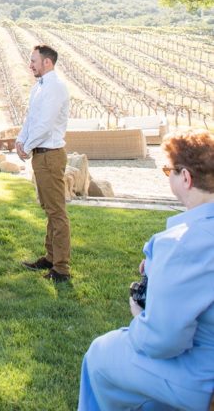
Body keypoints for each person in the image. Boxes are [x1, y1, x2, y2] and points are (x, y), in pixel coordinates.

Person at [78, 130, 214, 411]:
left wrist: (139, 316)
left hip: (201, 375)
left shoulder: (183, 244)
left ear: (185, 178)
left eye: (169, 171)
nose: (169, 177)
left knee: (100, 354)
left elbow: (163, 342)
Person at [16, 43, 71, 282]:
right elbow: (32, 118)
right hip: (41, 155)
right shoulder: (39, 88)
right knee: (48, 208)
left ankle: (61, 268)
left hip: (50, 154)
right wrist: (21, 140)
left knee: (57, 212)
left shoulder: (56, 87)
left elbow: (46, 124)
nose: (30, 65)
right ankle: (50, 257)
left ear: (47, 62)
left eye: (33, 61)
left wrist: (27, 147)